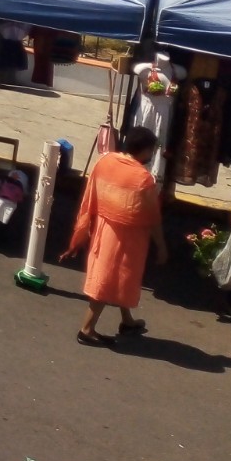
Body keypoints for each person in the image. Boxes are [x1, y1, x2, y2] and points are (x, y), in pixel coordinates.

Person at [61, 125, 167, 346]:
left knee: (118, 278)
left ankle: (127, 321)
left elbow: (91, 195)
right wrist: (161, 245)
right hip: (125, 238)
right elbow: (152, 217)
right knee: (108, 279)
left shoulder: (105, 161)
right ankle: (87, 329)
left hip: (103, 229)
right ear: (145, 150)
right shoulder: (143, 178)